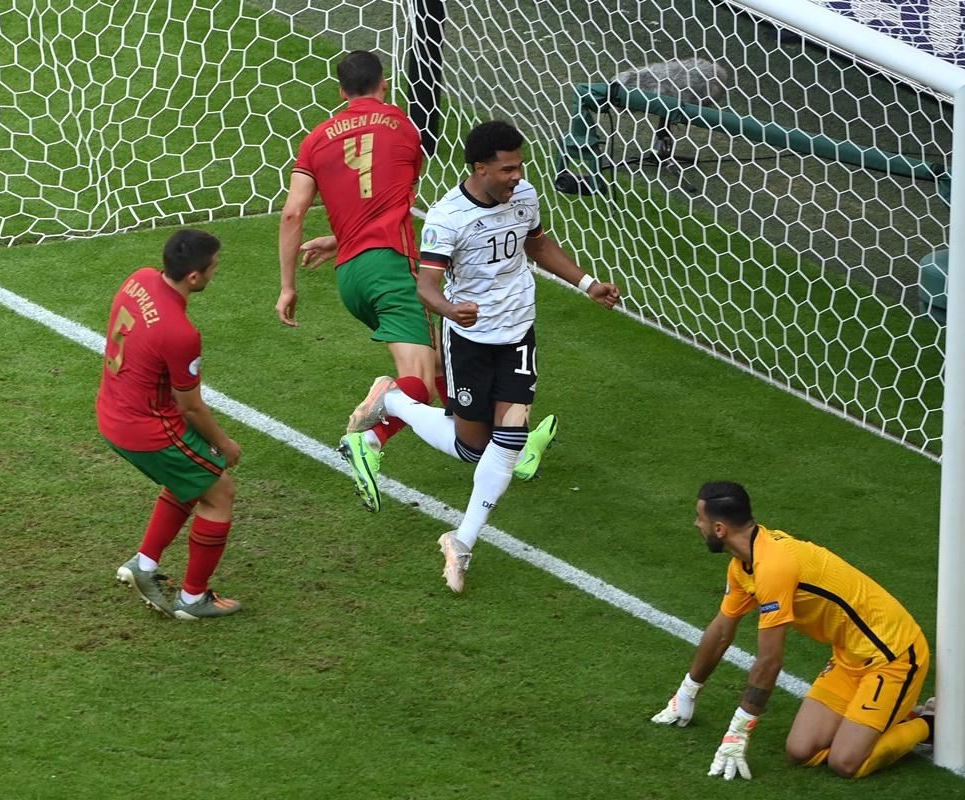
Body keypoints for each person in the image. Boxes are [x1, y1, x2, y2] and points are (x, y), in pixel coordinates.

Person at [341, 120, 621, 592]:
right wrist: (452, 310)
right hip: (469, 342)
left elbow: (536, 243)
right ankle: (392, 401)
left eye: (520, 166)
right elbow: (426, 286)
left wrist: (587, 283)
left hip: (517, 335)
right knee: (473, 446)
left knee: (508, 444)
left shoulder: (524, 196)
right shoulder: (448, 218)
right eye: (508, 168)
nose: (517, 176)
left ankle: (462, 541)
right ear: (480, 167)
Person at [277, 51, 556, 512]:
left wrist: (291, 283)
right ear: (385, 85)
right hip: (392, 266)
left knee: (449, 362)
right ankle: (371, 439)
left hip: (351, 272)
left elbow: (293, 212)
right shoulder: (405, 128)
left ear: (341, 93)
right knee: (418, 380)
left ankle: (511, 446)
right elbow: (396, 202)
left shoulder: (316, 139)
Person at [653, 481, 935, 779]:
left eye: (700, 519)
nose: (697, 524)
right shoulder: (743, 566)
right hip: (848, 657)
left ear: (720, 528)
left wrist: (738, 731)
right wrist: (686, 695)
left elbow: (770, 662)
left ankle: (929, 722)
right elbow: (721, 632)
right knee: (802, 751)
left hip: (894, 656)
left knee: (845, 762)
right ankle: (885, 716)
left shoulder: (774, 568)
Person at [97, 229, 242, 620]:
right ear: (194, 277)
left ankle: (143, 566)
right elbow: (191, 407)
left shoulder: (139, 279)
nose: (216, 272)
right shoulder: (181, 334)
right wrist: (225, 444)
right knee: (219, 492)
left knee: (191, 477)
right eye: (213, 267)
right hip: (145, 426)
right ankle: (194, 601)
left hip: (115, 408)